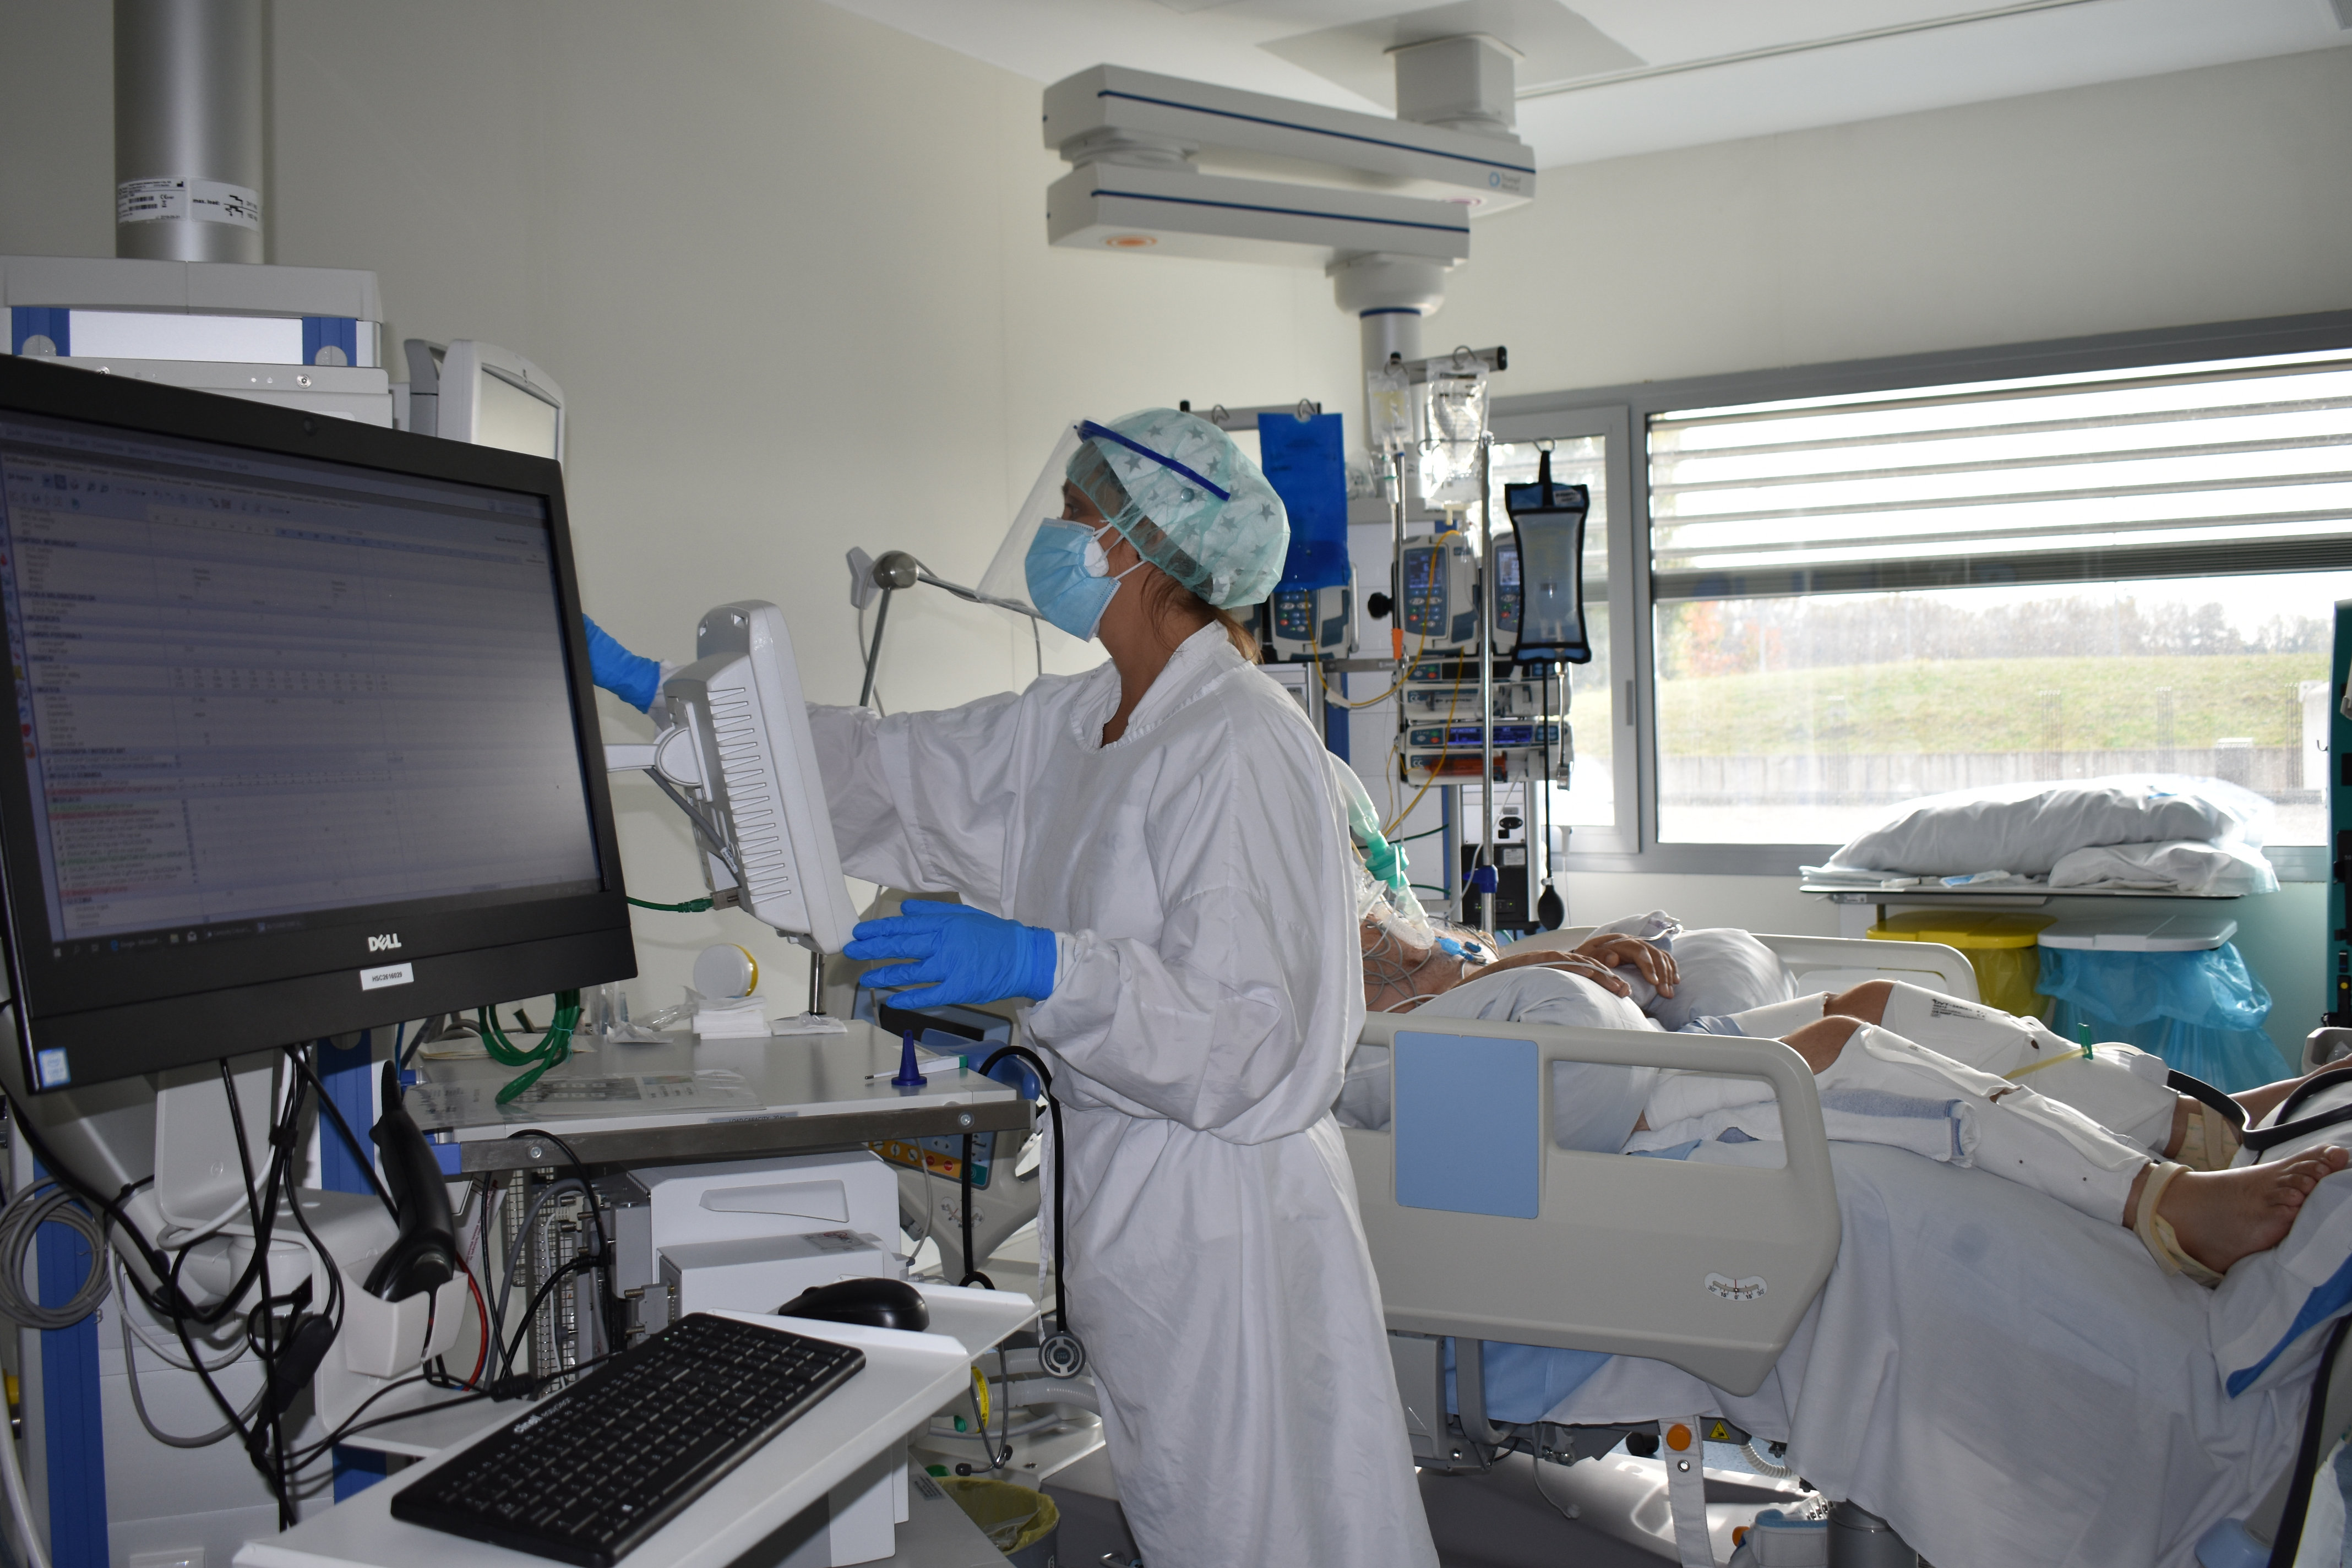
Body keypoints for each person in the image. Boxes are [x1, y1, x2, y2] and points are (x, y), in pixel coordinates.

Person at [806, 412, 1438, 1568]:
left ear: (1143, 546)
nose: (1056, 536)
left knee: (1264, 1533)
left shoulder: (1238, 739)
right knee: (1206, 1519)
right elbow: (898, 773)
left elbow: (1249, 1035)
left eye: (1076, 515)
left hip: (1230, 1214)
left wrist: (1043, 964)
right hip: (1142, 1212)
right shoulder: (1082, 722)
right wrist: (688, 713)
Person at [1352, 919, 2347, 1284]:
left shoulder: (1335, 842)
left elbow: (1455, 970)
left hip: (1568, 1035)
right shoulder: (1270, 915)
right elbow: (1403, 1018)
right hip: (1526, 1086)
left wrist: (1562, 951)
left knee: (1876, 1000)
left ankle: (2205, 1126)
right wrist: (1536, 973)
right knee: (1837, 1049)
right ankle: (2162, 1203)